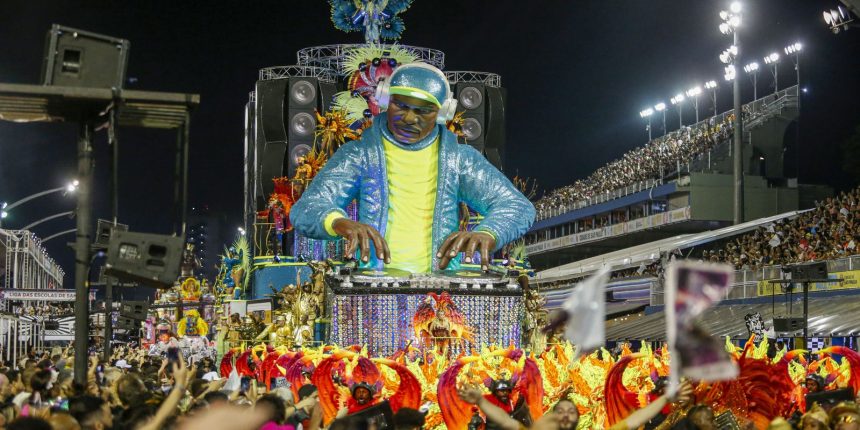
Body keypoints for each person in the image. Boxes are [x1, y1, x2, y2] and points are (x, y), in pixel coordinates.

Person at [291, 62, 535, 274]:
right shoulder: (359, 155)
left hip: (438, 295)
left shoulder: (459, 160)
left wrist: (489, 233)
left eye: (423, 111)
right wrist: (340, 223)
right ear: (386, 100)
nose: (409, 118)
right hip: (374, 291)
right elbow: (306, 209)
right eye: (401, 106)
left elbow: (517, 206)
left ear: (442, 113)